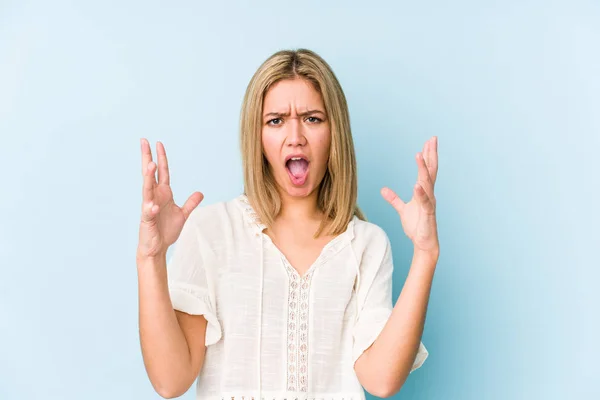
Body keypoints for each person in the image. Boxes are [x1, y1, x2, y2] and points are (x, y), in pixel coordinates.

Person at [136, 48, 439, 400]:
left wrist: (425, 253)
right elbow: (170, 381)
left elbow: (381, 380)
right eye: (276, 120)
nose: (295, 136)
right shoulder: (213, 231)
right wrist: (150, 258)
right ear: (258, 137)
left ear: (334, 133)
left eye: (312, 118)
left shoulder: (366, 245)